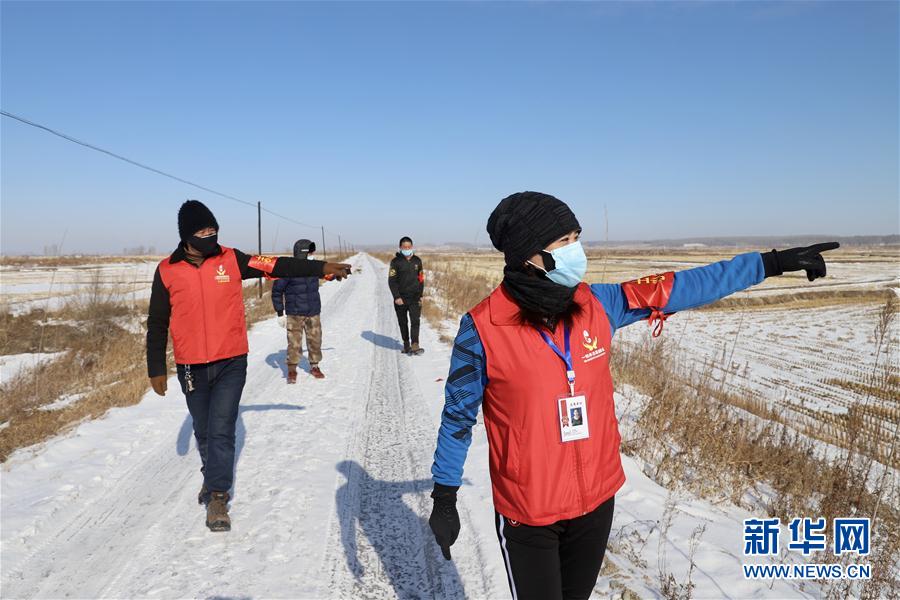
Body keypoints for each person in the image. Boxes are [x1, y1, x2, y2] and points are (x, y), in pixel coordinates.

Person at [427, 191, 838, 600]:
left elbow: (681, 286)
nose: (576, 251)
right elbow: (458, 419)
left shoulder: (597, 304)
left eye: (576, 237)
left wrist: (769, 263)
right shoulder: (482, 329)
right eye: (563, 242)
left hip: (596, 499)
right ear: (528, 255)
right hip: (529, 512)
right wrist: (445, 496)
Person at [146, 200, 351, 532]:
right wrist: (155, 365)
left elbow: (278, 265)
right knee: (203, 429)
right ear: (187, 235)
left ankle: (217, 495)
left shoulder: (233, 259)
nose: (209, 236)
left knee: (222, 427)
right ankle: (211, 474)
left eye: (213, 230)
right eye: (202, 232)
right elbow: (157, 322)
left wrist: (320, 266)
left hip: (231, 360)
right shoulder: (167, 270)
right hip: (190, 365)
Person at [272, 239, 326, 383]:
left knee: (315, 340)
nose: (312, 254)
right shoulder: (288, 269)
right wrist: (280, 313)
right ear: (303, 253)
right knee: (294, 343)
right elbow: (277, 291)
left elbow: (327, 274)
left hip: (313, 311)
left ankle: (315, 366)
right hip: (294, 313)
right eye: (310, 251)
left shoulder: (314, 267)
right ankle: (291, 369)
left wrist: (337, 273)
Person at [388, 236, 425, 354]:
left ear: (412, 247)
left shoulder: (417, 261)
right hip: (401, 299)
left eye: (409, 247)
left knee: (415, 321)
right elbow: (392, 281)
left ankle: (415, 344)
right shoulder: (395, 262)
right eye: (404, 247)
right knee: (403, 322)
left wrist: (420, 295)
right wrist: (396, 297)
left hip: (414, 298)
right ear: (400, 247)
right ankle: (406, 344)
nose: (407, 249)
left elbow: (421, 279)